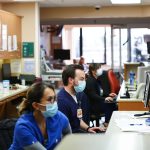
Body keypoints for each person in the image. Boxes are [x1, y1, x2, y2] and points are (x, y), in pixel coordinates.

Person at [9, 82, 71, 150]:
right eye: (49, 100)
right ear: (36, 105)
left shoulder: (59, 117)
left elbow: (70, 139)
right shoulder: (23, 127)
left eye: (54, 98)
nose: (54, 103)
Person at [57, 64, 105, 133]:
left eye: (85, 79)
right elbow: (63, 131)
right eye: (81, 79)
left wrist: (88, 128)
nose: (84, 82)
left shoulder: (77, 95)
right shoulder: (62, 101)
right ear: (71, 80)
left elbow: (77, 119)